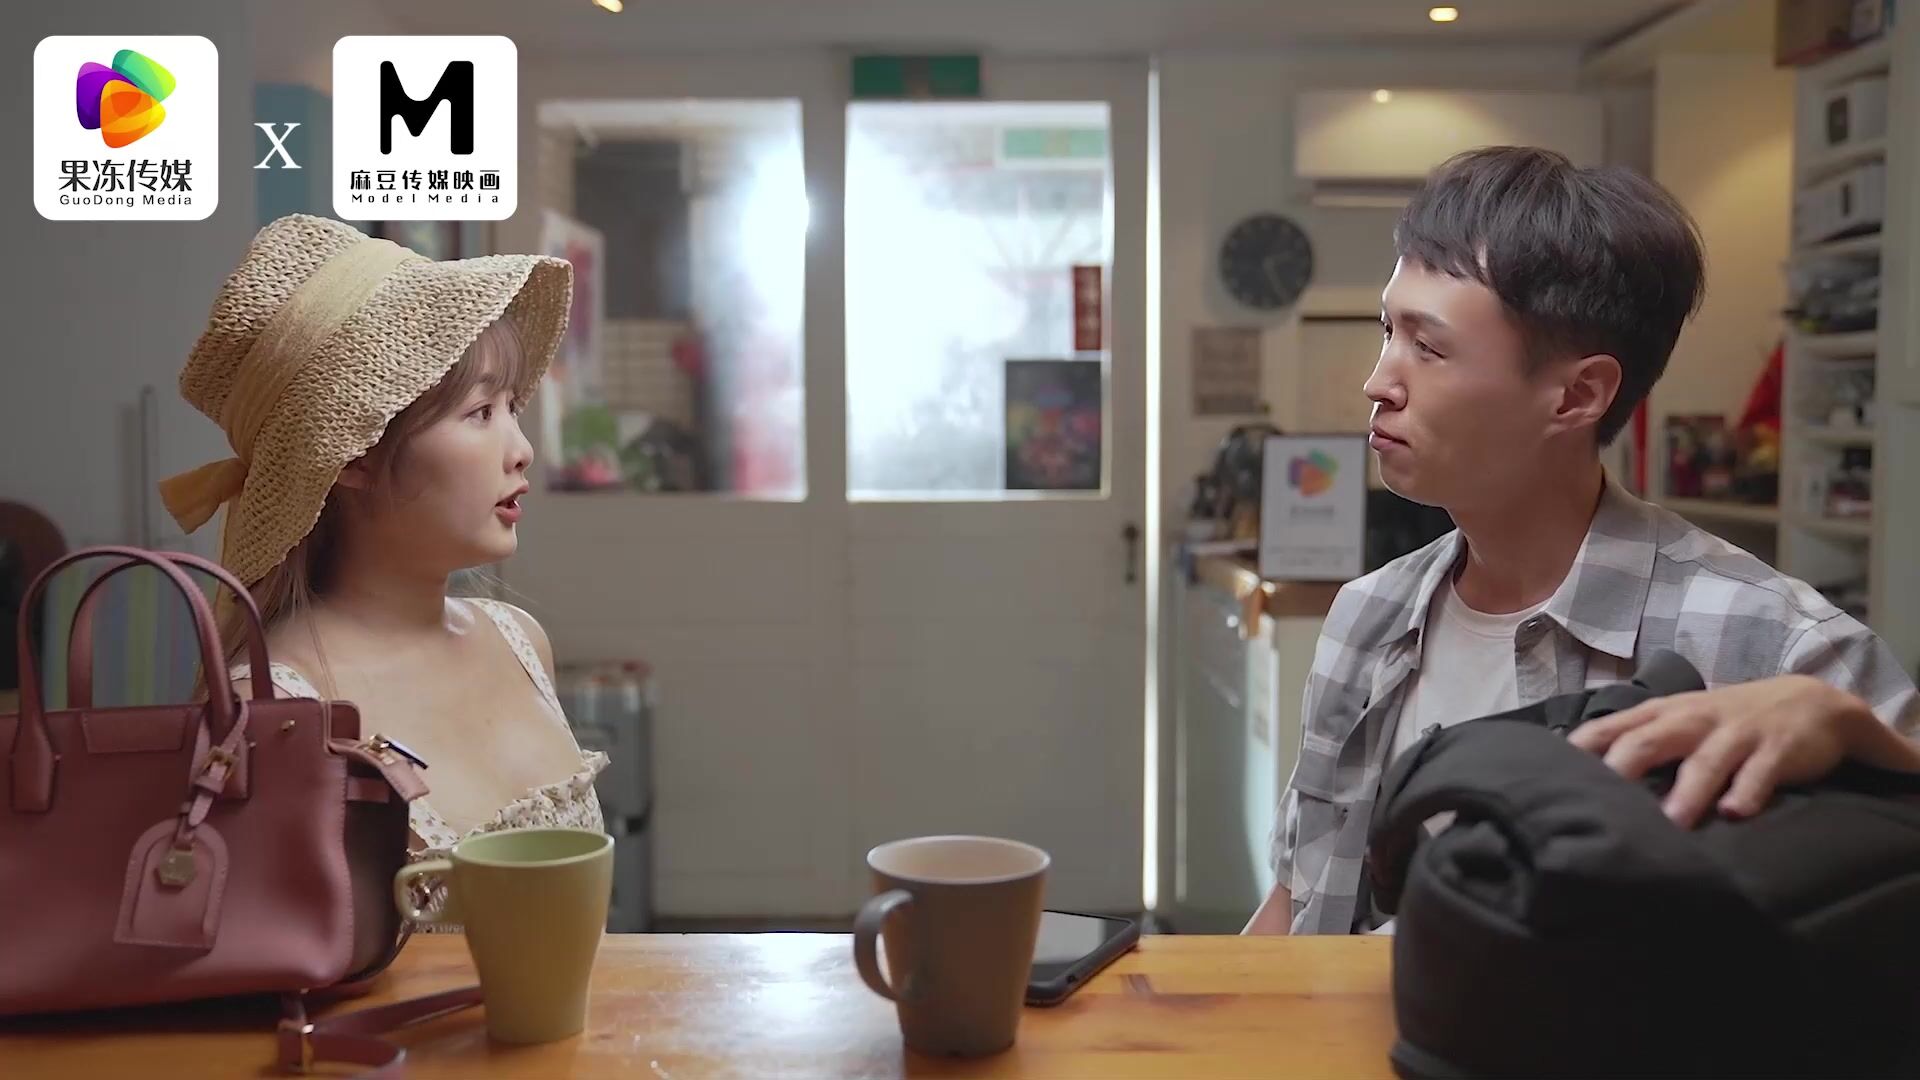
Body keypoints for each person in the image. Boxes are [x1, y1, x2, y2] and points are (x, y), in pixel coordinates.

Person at [1245, 147, 1918, 936]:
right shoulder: (1370, 616)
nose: (1378, 381)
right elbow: (1297, 904)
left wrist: (1861, 742)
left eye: (1428, 348)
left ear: (1577, 394)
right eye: (1389, 330)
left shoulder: (1773, 645)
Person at [158, 214, 598, 926]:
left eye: (512, 406)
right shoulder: (276, 709)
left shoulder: (519, 640)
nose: (521, 450)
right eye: (480, 412)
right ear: (356, 454)